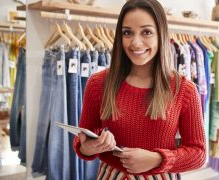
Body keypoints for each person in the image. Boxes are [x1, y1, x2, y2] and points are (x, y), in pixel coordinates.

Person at [73, 0, 206, 179]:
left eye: (147, 32)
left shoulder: (184, 90)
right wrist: (89, 147)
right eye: (127, 32)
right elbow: (83, 140)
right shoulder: (98, 83)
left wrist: (158, 159)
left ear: (161, 34)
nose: (136, 42)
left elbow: (199, 153)